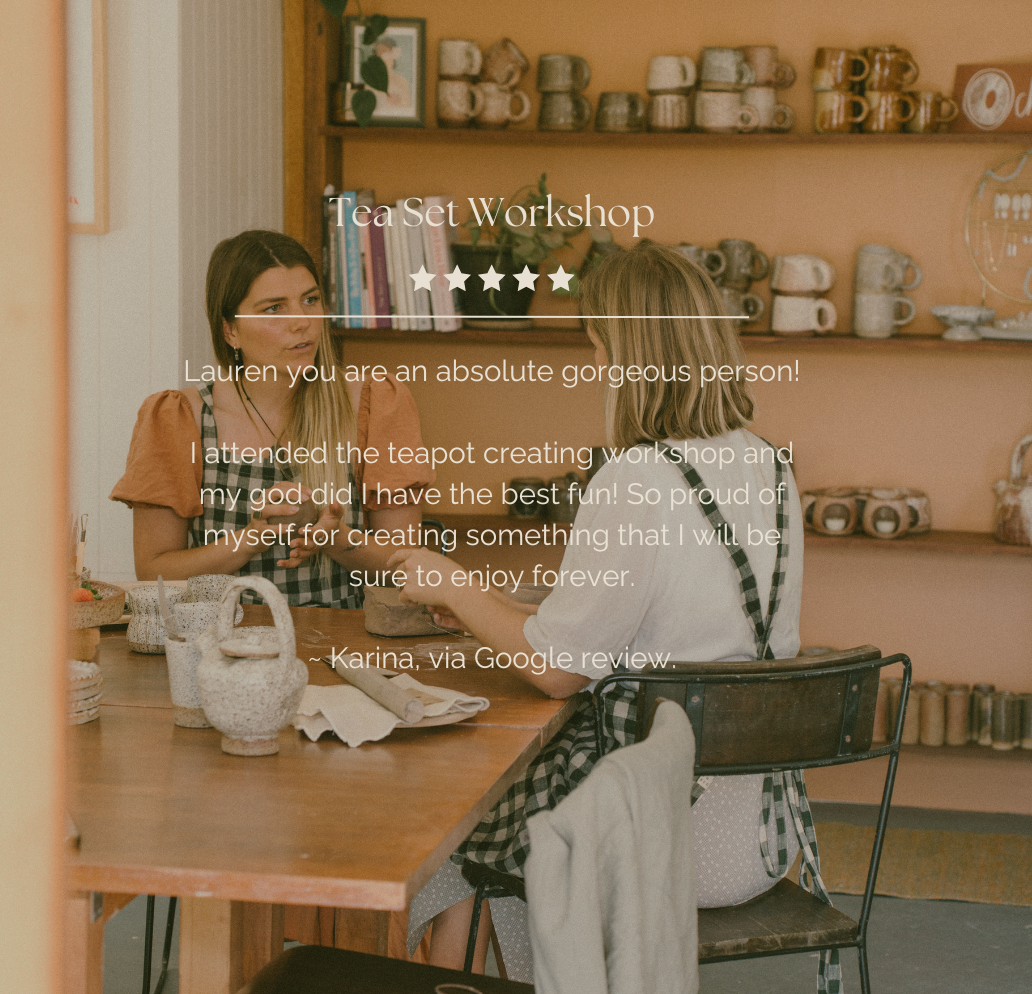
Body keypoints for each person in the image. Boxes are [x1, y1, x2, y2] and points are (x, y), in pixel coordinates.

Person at [389, 240, 804, 974]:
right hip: (762, 834)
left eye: (600, 349)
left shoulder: (636, 476)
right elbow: (669, 621)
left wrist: (453, 585)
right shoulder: (771, 465)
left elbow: (556, 671)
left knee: (454, 835)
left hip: (661, 842)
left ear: (627, 355)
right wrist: (489, 604)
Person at [111, 229, 433, 606]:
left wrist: (335, 537)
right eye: (274, 308)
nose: (301, 322)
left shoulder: (376, 403)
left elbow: (405, 568)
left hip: (344, 638)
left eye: (310, 300)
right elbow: (154, 573)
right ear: (230, 330)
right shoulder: (178, 418)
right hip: (221, 638)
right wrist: (251, 539)